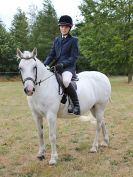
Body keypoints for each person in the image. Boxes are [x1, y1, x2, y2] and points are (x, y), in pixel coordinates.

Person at [43, 15, 80, 115]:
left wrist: (63, 64)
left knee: (66, 81)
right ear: (59, 27)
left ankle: (75, 104)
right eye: (62, 26)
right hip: (57, 67)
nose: (63, 28)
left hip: (68, 67)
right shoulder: (57, 40)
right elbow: (51, 54)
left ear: (69, 28)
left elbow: (74, 57)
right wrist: (44, 64)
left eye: (66, 27)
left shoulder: (74, 40)